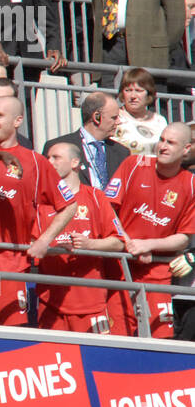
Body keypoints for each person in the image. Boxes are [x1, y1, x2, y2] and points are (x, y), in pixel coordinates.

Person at [0, 95, 76, 326]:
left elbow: (69, 205)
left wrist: (44, 240)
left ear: (18, 121)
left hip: (8, 265)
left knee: (11, 339)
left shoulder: (35, 162)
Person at [104, 122, 195, 338]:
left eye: (171, 143)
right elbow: (108, 209)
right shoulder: (133, 164)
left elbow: (183, 238)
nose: (162, 146)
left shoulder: (190, 184)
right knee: (118, 337)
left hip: (158, 273)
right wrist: (128, 242)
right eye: (162, 139)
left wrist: (148, 246)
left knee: (159, 339)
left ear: (186, 149)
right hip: (120, 268)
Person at [36, 141, 123, 335]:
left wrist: (89, 244)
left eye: (56, 157)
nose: (49, 162)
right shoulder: (40, 200)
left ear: (75, 162)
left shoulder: (95, 197)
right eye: (47, 158)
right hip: (50, 302)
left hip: (91, 302)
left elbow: (119, 242)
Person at [42, 91, 127, 191]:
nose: (119, 122)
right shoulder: (58, 147)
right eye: (114, 118)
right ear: (97, 117)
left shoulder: (122, 152)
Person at [115, 67, 166, 156]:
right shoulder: (115, 118)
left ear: (149, 93)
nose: (133, 96)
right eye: (128, 90)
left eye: (139, 91)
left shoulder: (160, 121)